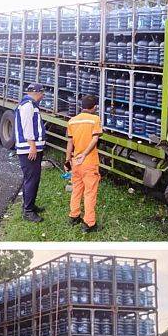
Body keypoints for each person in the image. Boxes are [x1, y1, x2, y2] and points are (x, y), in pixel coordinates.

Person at [66, 95, 103, 233]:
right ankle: (89, 224)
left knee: (76, 189)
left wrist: (67, 160)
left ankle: (74, 216)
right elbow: (95, 139)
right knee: (89, 193)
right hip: (89, 162)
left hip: (76, 162)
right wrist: (85, 154)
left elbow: (70, 142)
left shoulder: (72, 121)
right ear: (94, 107)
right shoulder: (95, 119)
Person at [14, 83, 47, 222]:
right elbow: (27, 126)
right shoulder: (28, 105)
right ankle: (28, 211)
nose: (43, 96)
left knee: (32, 179)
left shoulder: (29, 104)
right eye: (42, 93)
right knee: (31, 180)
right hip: (29, 149)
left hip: (31, 148)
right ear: (37, 92)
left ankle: (29, 206)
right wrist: (32, 146)